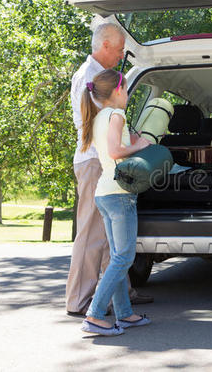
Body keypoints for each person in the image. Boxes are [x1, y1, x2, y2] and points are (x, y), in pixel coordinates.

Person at [66, 23, 152, 316]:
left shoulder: (96, 76)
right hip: (94, 161)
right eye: (118, 49)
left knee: (108, 235)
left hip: (100, 161)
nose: (120, 55)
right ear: (104, 45)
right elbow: (104, 128)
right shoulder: (89, 78)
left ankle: (122, 295)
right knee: (91, 234)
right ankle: (78, 300)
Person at [79, 69, 152, 335]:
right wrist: (141, 144)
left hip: (105, 193)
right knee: (123, 257)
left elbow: (113, 150)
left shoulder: (99, 117)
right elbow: (115, 151)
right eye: (127, 90)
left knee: (117, 257)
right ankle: (94, 315)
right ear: (118, 90)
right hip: (120, 194)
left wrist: (131, 139)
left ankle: (124, 314)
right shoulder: (117, 114)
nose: (128, 95)